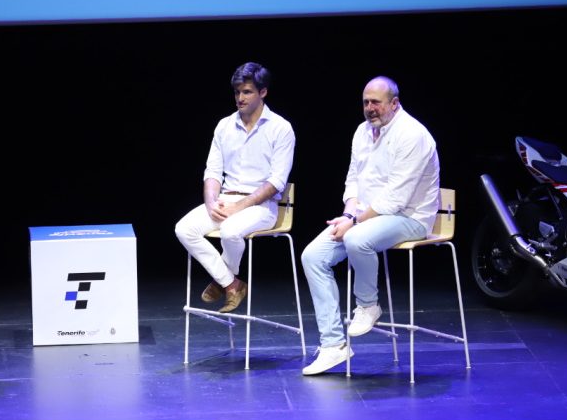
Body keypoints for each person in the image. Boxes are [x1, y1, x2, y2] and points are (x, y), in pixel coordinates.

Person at [300, 76, 440, 376]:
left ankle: (368, 305)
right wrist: (349, 212)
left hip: (411, 217)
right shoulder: (362, 132)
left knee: (357, 240)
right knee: (312, 256)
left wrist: (352, 222)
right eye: (365, 102)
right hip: (366, 217)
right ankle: (334, 345)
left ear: (394, 103)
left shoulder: (413, 134)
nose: (369, 108)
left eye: (376, 102)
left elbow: (396, 197)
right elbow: (353, 180)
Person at [174, 62, 295, 313]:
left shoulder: (281, 128)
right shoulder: (224, 126)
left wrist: (239, 206)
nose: (240, 98)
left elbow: (276, 182)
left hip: (261, 207)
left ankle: (223, 278)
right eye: (237, 92)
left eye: (247, 92)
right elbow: (213, 171)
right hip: (226, 200)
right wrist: (210, 202)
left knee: (230, 230)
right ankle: (231, 283)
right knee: (184, 228)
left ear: (263, 92)